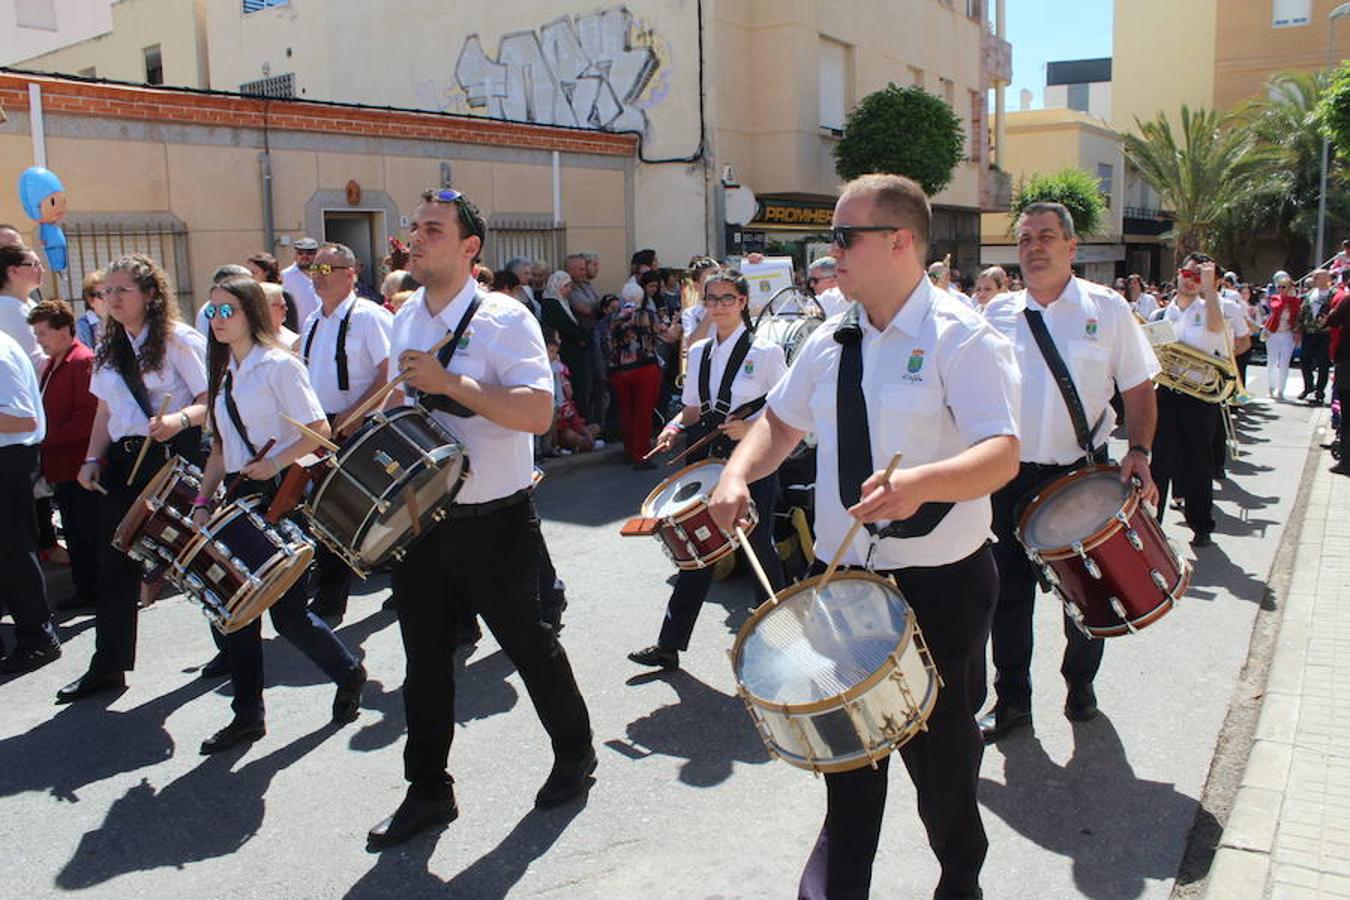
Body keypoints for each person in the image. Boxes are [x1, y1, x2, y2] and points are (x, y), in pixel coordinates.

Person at [710, 173, 1021, 900]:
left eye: (846, 238)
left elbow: (1001, 452)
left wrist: (922, 483)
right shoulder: (830, 335)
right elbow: (781, 423)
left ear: (900, 242)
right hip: (843, 586)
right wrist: (735, 475)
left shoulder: (960, 335)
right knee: (846, 756)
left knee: (941, 763)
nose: (833, 252)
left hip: (940, 587)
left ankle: (960, 879)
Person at [367, 188, 594, 851]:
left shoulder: (504, 319)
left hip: (494, 520)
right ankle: (428, 790)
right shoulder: (405, 316)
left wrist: (451, 384)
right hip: (422, 523)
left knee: (527, 644)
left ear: (470, 248)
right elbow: (401, 406)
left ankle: (575, 753)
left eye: (432, 229)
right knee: (425, 662)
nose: (416, 237)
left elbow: (537, 414)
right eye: (414, 228)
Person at [980, 202, 1160, 743]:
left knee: (1088, 593)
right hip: (1008, 477)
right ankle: (1012, 702)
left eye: (1047, 237)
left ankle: (1080, 685)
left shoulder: (1106, 309)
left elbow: (1139, 388)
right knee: (1006, 597)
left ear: (1071, 247)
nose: (1035, 247)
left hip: (1081, 475)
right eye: (1026, 238)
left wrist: (1141, 451)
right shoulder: (997, 313)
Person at [187, 276, 366, 752]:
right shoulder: (225, 372)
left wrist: (275, 462)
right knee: (237, 611)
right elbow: (219, 450)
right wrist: (203, 502)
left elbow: (318, 431)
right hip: (236, 495)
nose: (217, 320)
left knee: (288, 618)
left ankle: (349, 673)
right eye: (211, 312)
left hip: (277, 495)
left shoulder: (278, 367)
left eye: (227, 310)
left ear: (251, 313)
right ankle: (248, 716)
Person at [59, 253, 211, 703]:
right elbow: (106, 410)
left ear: (149, 294)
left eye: (122, 290)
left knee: (193, 559)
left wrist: (180, 419)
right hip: (125, 463)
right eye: (108, 291)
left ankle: (233, 649)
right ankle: (108, 666)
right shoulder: (109, 345)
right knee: (115, 563)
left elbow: (212, 398)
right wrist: (91, 458)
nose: (113, 298)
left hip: (171, 455)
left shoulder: (178, 340)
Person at [629, 267, 788, 670]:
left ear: (743, 303)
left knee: (759, 548)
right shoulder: (698, 351)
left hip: (751, 461)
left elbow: (787, 410)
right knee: (695, 551)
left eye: (726, 299)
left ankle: (783, 639)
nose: (717, 306)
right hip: (706, 461)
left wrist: (751, 426)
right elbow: (693, 409)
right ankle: (669, 644)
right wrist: (671, 428)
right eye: (711, 299)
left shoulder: (765, 351)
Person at [298, 242, 392, 624]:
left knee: (380, 512)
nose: (317, 278)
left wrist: (355, 414)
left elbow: (389, 374)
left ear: (350, 274)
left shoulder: (369, 317)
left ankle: (407, 587)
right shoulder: (312, 321)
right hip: (323, 426)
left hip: (362, 426)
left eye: (327, 270)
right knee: (326, 513)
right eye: (314, 271)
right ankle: (329, 598)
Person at [1151, 252, 1229, 548]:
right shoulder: (1162, 314)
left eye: (1200, 276)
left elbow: (1214, 332)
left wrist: (1210, 289)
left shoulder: (1211, 307)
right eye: (1189, 274)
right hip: (1168, 394)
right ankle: (1152, 523)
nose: (1192, 280)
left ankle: (1202, 525)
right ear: (1178, 274)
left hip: (1200, 396)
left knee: (1199, 462)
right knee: (1160, 462)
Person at [29, 299, 100, 611]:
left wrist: (44, 438)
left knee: (88, 531)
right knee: (74, 530)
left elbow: (88, 418)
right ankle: (85, 589)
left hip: (80, 463)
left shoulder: (82, 361)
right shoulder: (52, 364)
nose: (39, 340)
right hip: (61, 466)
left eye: (43, 333)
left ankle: (97, 590)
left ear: (64, 330)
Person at [0, 328, 62, 674]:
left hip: (9, 457)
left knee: (13, 551)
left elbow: (25, 417)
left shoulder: (1, 353)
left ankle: (37, 638)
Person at [603, 287, 665, 468]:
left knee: (626, 412)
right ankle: (641, 454)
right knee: (643, 412)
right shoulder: (647, 315)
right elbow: (665, 332)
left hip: (618, 370)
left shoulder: (613, 318)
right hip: (644, 367)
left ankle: (630, 451)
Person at [540, 269, 592, 416]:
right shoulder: (551, 304)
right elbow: (565, 327)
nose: (569, 290)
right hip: (565, 352)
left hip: (575, 351)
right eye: (566, 286)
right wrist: (581, 337)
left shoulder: (563, 303)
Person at [0, 243, 47, 370]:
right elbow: (34, 361)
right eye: (34, 265)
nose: (42, 270)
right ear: (13, 271)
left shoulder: (28, 303)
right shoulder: (9, 309)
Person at [1297, 269, 1334, 406]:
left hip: (1324, 334)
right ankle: (1308, 386)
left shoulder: (1333, 294)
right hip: (1309, 332)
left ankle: (1320, 391)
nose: (1315, 279)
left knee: (1323, 363)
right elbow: (1302, 311)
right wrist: (1298, 329)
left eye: (1317, 277)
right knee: (1305, 360)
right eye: (1315, 277)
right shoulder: (1310, 294)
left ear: (1326, 279)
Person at [1263, 271, 1300, 400]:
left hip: (1287, 334)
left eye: (1283, 287)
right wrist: (1288, 297)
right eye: (1278, 286)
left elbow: (1298, 317)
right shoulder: (1275, 299)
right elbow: (1277, 308)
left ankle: (1280, 390)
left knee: (1284, 363)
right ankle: (1271, 388)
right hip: (1273, 333)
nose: (1280, 289)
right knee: (1271, 362)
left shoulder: (1296, 301)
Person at [280, 237, 321, 325]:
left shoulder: (325, 272)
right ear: (295, 255)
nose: (304, 256)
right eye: (300, 253)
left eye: (309, 253)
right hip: (298, 331)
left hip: (322, 328)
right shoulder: (285, 275)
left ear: (316, 254)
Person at [76, 270, 107, 350]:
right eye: (103, 295)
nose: (108, 299)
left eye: (110, 292)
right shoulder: (82, 326)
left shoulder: (120, 320)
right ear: (91, 300)